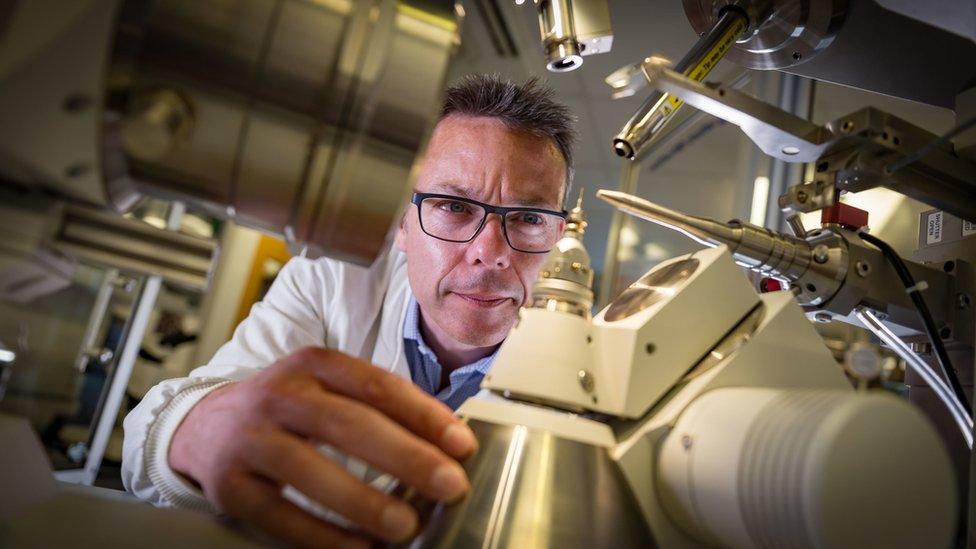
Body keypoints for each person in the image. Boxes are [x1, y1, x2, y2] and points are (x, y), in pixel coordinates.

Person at [121, 74, 576, 548]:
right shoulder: (331, 278)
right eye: (454, 206)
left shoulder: (590, 361)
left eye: (528, 219)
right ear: (403, 223)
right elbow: (143, 445)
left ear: (558, 237)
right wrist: (199, 435)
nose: (490, 251)